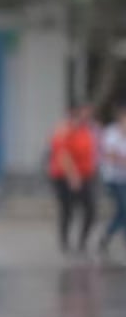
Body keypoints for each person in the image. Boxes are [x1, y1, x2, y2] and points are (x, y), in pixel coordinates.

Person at [48, 107, 98, 253]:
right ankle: (65, 242)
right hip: (64, 176)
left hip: (85, 175)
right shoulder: (64, 130)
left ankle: (82, 242)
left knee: (90, 209)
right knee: (67, 210)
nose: (86, 118)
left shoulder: (86, 131)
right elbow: (62, 155)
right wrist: (72, 176)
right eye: (82, 116)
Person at [99, 106, 126, 253]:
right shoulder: (111, 133)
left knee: (122, 211)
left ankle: (107, 236)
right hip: (114, 177)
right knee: (124, 208)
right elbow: (109, 155)